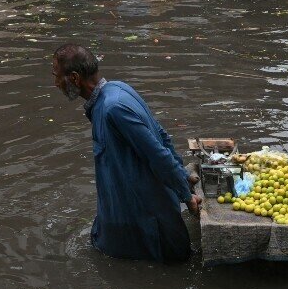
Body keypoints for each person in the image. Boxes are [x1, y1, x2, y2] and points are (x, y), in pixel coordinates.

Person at [52, 43, 202, 263]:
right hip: (129, 212)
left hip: (147, 223)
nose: (56, 83)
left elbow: (157, 153)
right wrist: (183, 175)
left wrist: (186, 195)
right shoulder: (118, 89)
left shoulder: (113, 109)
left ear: (74, 78)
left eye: (56, 76)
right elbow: (161, 135)